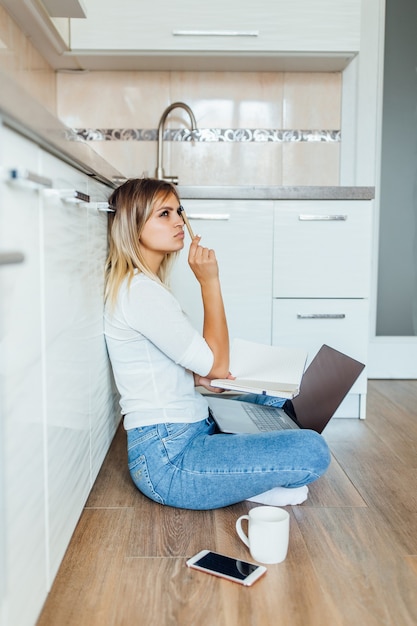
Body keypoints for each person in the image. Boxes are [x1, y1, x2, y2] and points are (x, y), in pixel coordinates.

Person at [103, 178, 330, 510]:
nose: (179, 220)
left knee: (279, 404)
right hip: (169, 459)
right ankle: (244, 482)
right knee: (313, 450)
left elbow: (160, 364)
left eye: (178, 210)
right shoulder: (141, 293)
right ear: (134, 228)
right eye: (164, 214)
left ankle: (240, 477)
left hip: (192, 425)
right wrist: (209, 281)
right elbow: (218, 365)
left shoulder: (144, 287)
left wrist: (196, 377)